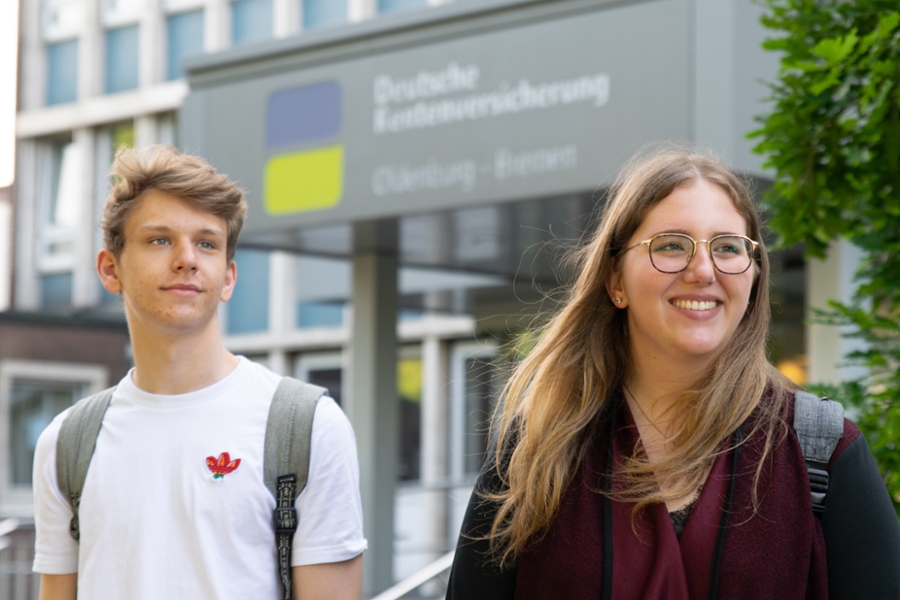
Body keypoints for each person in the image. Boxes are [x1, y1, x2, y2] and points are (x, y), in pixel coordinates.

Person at [447, 150, 900, 599]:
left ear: (754, 278)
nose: (702, 271)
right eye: (670, 245)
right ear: (616, 280)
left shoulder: (823, 452)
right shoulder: (536, 451)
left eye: (727, 247)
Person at [31, 146, 366, 600]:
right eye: (160, 240)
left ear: (227, 278)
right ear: (110, 269)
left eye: (206, 243)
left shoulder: (307, 428)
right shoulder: (67, 443)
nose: (187, 258)